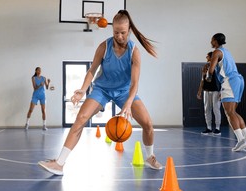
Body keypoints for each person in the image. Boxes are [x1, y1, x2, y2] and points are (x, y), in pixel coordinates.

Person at [38, 10, 163, 175]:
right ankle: (59, 164)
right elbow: (92, 70)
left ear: (129, 31)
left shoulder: (134, 52)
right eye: (116, 32)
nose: (119, 36)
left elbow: (134, 83)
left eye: (123, 33)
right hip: (102, 89)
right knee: (80, 118)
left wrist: (127, 104)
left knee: (148, 124)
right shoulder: (104, 46)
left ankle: (150, 157)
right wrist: (82, 90)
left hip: (125, 91)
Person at [206, 33, 246, 151]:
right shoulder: (226, 51)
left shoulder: (216, 52)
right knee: (233, 111)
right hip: (238, 80)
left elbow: (211, 70)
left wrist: (207, 76)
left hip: (229, 81)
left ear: (215, 41)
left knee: (229, 113)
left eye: (212, 40)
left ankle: (241, 140)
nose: (210, 42)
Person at [197, 51, 222, 135]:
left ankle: (217, 128)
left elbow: (223, 80)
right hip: (206, 91)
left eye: (207, 56)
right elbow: (202, 80)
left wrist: (222, 92)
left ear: (212, 57)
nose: (206, 58)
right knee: (207, 109)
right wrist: (199, 91)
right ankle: (209, 128)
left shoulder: (218, 67)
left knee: (216, 109)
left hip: (216, 91)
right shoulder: (205, 67)